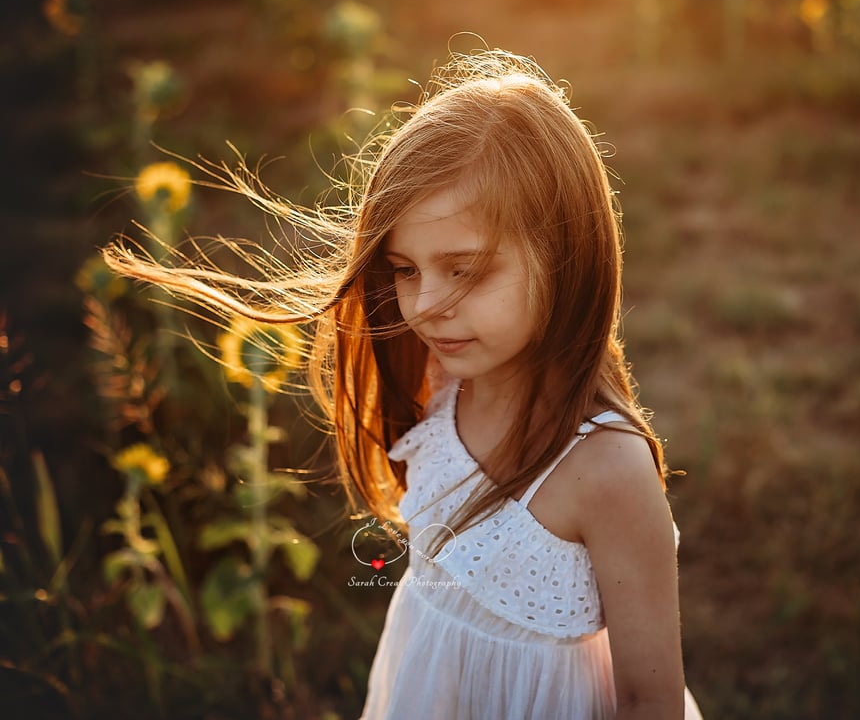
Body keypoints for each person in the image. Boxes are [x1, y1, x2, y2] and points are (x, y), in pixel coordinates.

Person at [104, 48, 703, 719]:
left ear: (565, 258)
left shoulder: (606, 469)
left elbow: (650, 700)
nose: (424, 307)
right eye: (405, 268)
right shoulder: (442, 380)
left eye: (464, 269)